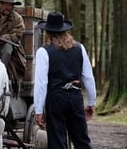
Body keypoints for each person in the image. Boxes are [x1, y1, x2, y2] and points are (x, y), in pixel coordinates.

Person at [33, 11, 97, 149]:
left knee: (57, 142)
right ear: (65, 31)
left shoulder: (43, 51)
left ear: (47, 32)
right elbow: (88, 77)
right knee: (82, 141)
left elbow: (41, 83)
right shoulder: (80, 48)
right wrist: (92, 102)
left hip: (55, 99)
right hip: (75, 97)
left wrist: (39, 110)